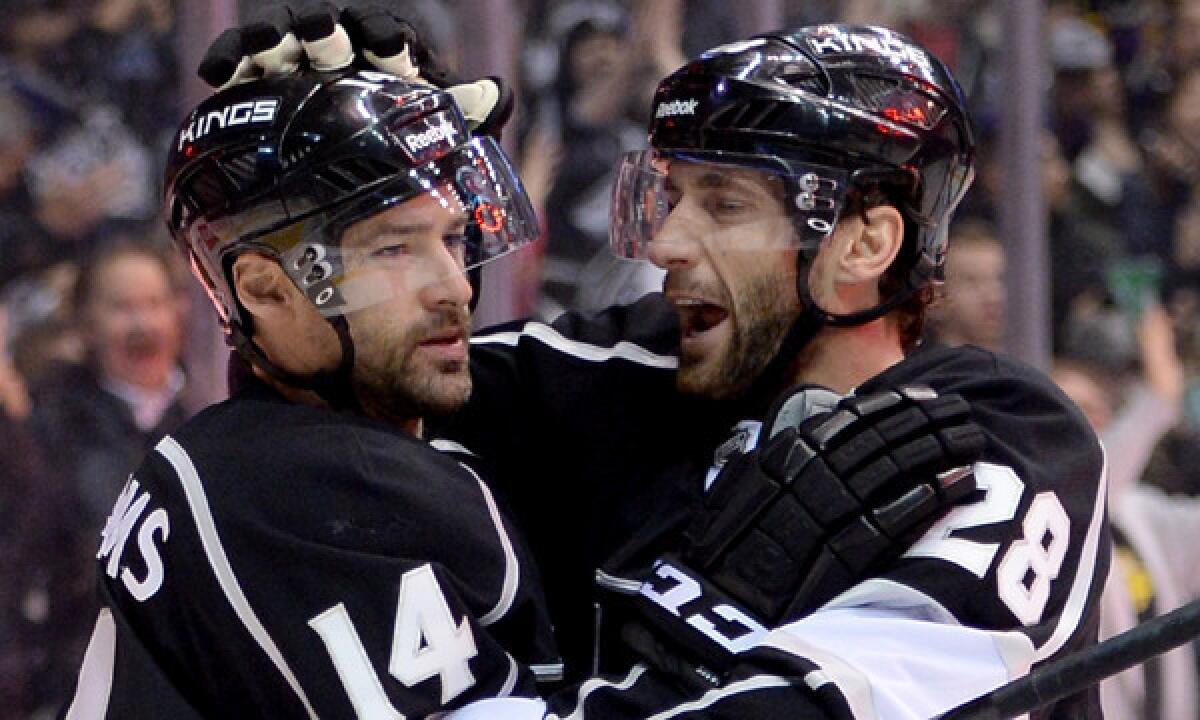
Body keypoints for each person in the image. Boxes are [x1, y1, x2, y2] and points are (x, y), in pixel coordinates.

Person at [200, 11, 1109, 718]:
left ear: (863, 240)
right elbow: (331, 397)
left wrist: (692, 653)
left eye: (721, 203)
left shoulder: (997, 441)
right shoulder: (616, 375)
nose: (667, 241)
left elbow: (856, 700)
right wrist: (333, 186)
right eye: (669, 196)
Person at [66, 70, 558, 718]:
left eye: (451, 237)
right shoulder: (288, 488)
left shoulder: (267, 452)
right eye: (393, 250)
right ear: (265, 289)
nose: (455, 287)